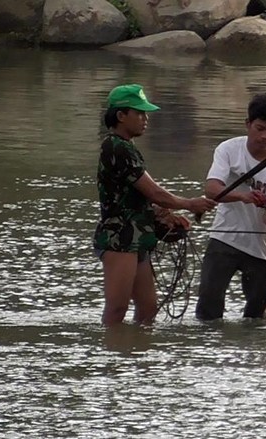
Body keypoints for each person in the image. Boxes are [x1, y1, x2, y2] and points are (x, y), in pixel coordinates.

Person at [95, 84, 216, 327]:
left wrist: (164, 215)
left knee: (148, 309)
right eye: (139, 113)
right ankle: (111, 359)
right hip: (119, 239)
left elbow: (140, 196)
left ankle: (137, 357)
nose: (145, 118)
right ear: (121, 116)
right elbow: (154, 192)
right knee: (117, 308)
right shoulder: (116, 147)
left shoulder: (128, 147)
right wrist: (190, 204)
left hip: (138, 237)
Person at [195, 93, 266, 320]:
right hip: (223, 239)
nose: (265, 136)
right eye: (259, 129)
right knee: (208, 308)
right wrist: (243, 196)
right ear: (247, 124)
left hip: (259, 248)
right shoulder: (228, 149)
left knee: (258, 316)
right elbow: (211, 189)